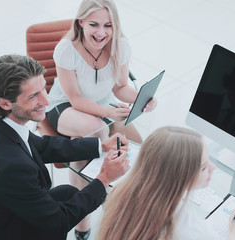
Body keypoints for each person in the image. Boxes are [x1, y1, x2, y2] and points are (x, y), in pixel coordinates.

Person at [0, 54, 130, 240]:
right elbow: (58, 221)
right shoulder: (9, 166)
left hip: (1, 212)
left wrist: (100, 146)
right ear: (5, 103)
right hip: (9, 233)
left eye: (43, 89)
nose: (46, 102)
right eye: (32, 96)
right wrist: (104, 178)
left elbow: (40, 145)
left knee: (69, 193)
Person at [46, 0, 156, 238]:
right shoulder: (66, 49)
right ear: (81, 22)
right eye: (94, 24)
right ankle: (98, 209)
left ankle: (103, 208)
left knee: (143, 148)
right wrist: (107, 113)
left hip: (103, 105)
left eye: (108, 25)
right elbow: (74, 98)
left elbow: (120, 88)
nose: (101, 32)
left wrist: (142, 98)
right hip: (64, 107)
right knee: (95, 129)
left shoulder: (120, 46)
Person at [97, 126, 235, 240]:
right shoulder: (187, 228)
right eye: (203, 167)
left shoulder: (120, 191)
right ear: (179, 178)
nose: (213, 167)